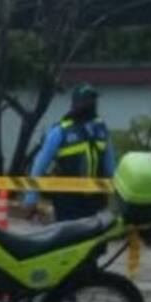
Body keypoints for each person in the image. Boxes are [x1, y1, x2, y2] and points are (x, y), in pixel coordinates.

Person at [26, 83, 117, 222]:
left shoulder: (101, 130)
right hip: (68, 201)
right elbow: (39, 166)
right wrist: (31, 198)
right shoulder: (60, 130)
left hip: (96, 200)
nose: (91, 104)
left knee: (96, 242)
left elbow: (110, 166)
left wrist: (118, 193)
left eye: (93, 100)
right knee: (70, 241)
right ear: (76, 103)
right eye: (86, 100)